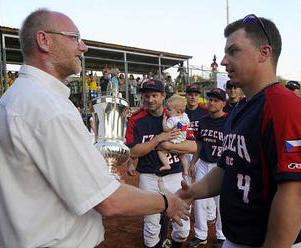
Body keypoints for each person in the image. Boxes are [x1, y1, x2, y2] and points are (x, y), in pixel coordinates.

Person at [0, 9, 189, 247]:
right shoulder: (47, 107)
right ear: (44, 40)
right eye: (75, 37)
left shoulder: (19, 97)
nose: (83, 47)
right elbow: (109, 202)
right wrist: (167, 203)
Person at [178, 14, 301, 248]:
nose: (223, 61)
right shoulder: (241, 107)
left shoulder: (283, 105)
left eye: (233, 51)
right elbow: (227, 166)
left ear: (264, 53)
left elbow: (296, 190)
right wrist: (193, 191)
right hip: (240, 237)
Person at [126, 79, 197, 248]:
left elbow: (193, 146)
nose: (150, 100)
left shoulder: (176, 114)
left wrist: (169, 145)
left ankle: (173, 243)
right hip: (149, 176)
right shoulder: (136, 120)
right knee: (151, 226)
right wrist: (158, 139)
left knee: (182, 228)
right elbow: (133, 151)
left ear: (163, 96)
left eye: (154, 95)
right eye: (146, 96)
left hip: (174, 176)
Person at [188, 88, 227, 248]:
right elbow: (199, 143)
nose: (211, 102)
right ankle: (200, 235)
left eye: (216, 100)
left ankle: (221, 235)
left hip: (221, 165)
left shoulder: (229, 120)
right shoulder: (203, 121)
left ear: (223, 103)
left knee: (221, 202)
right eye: (210, 99)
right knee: (199, 200)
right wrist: (192, 162)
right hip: (203, 162)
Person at [185, 84, 216, 223]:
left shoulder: (205, 111)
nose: (193, 97)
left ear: (199, 96)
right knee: (185, 179)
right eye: (190, 94)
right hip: (185, 149)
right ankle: (186, 209)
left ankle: (210, 213)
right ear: (186, 95)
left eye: (196, 94)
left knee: (204, 183)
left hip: (200, 151)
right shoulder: (181, 110)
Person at [157, 94, 190, 177]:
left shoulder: (172, 119)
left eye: (169, 109)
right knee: (182, 156)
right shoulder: (185, 116)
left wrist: (164, 120)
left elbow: (166, 129)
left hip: (173, 140)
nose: (166, 110)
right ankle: (186, 170)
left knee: (160, 151)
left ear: (178, 112)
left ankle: (166, 164)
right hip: (182, 139)